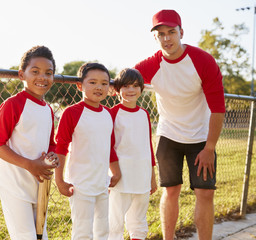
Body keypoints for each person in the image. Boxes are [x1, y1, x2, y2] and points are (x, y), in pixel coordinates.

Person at [134, 9, 225, 240]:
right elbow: (122, 82)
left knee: (204, 193)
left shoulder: (202, 61)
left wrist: (210, 148)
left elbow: (217, 108)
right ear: (155, 37)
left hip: (201, 137)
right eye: (161, 34)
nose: (167, 38)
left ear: (181, 32)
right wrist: (89, 83)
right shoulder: (151, 64)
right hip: (168, 135)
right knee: (171, 190)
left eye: (171, 32)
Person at [0, 45, 59, 240]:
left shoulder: (48, 110)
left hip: (38, 184)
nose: (42, 77)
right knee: (25, 236)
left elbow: (50, 144)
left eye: (49, 73)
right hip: (14, 184)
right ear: (22, 74)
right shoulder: (13, 104)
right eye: (35, 71)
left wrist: (52, 155)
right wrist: (29, 164)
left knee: (40, 235)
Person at [55, 62, 121, 240]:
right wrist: (59, 179)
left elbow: (110, 147)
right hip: (81, 184)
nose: (99, 87)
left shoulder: (107, 114)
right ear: (79, 85)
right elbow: (60, 148)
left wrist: (115, 171)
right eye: (92, 82)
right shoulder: (72, 113)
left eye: (104, 83)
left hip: (102, 183)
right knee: (83, 232)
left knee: (103, 230)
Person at [108, 68, 157, 240]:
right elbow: (108, 147)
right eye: (126, 86)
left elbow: (148, 147)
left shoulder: (144, 114)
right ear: (118, 89)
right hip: (120, 176)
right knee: (114, 223)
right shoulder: (112, 113)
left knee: (138, 221)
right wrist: (112, 172)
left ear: (141, 89)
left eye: (135, 86)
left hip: (142, 176)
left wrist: (152, 176)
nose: (131, 90)